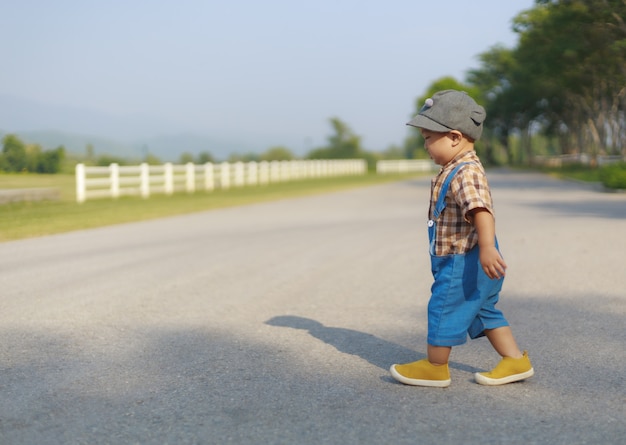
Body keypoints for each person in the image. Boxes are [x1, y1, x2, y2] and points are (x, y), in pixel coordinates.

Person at [390, 89, 534, 387]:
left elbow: (481, 210)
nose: (426, 145)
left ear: (454, 137)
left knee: (443, 306)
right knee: (484, 310)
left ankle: (435, 366)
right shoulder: (454, 168)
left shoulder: (465, 172)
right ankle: (515, 361)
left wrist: (485, 248)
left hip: (464, 261)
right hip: (472, 260)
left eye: (429, 138)